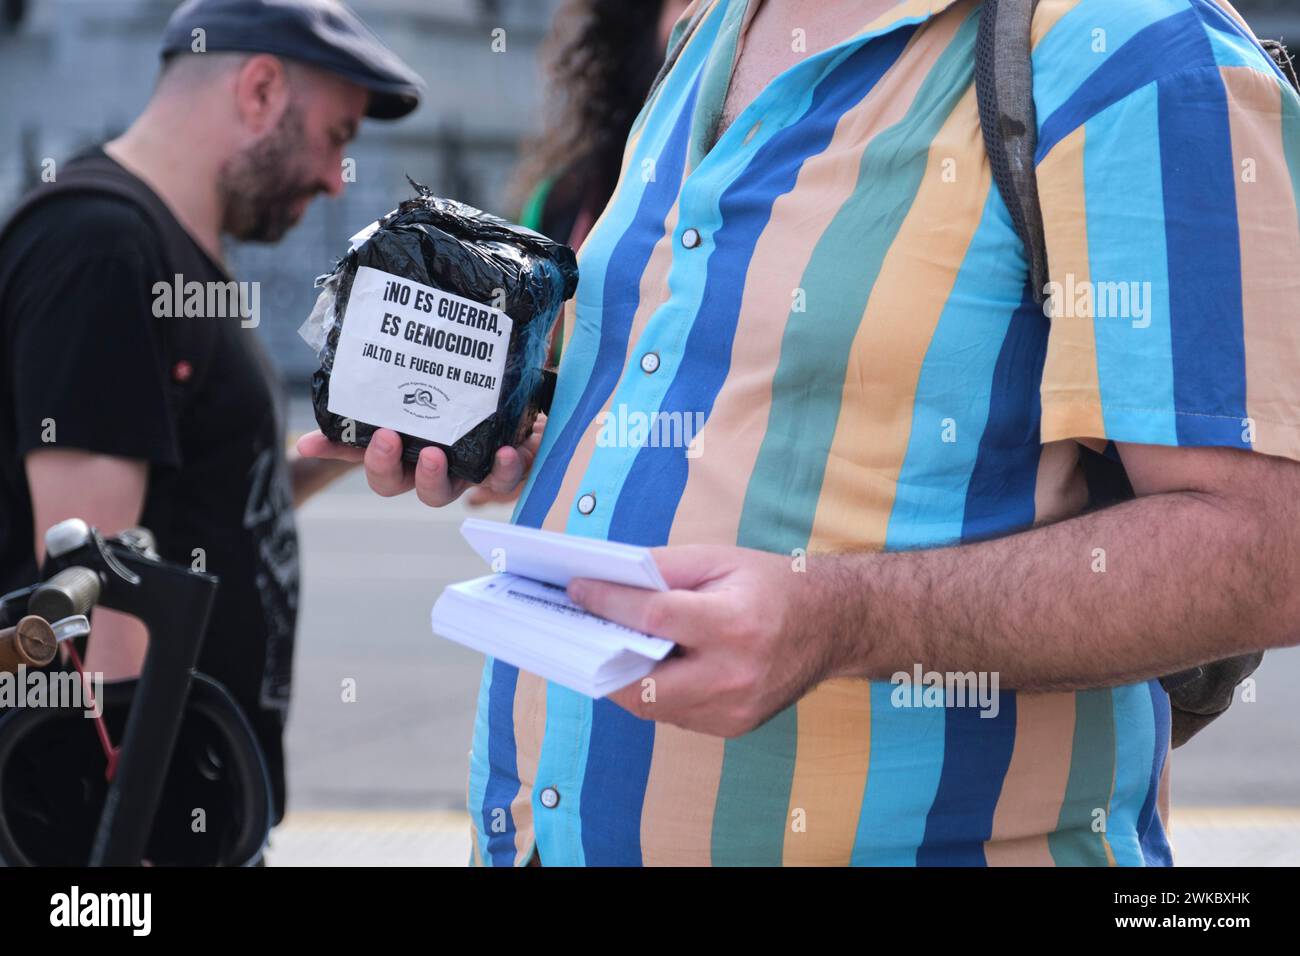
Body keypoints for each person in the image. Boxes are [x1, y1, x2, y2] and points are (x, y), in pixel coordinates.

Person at [302, 0, 1300, 866]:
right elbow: (747, 382)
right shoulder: (710, 31)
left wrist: (842, 619)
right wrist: (534, 423)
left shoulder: (1134, 53)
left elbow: (1267, 545)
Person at [0, 0, 423, 828]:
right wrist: (132, 841)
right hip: (120, 829)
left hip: (185, 804)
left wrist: (345, 448)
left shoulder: (171, 249)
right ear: (261, 89)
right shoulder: (102, 247)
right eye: (337, 136)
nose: (339, 176)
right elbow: (97, 590)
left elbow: (207, 491)